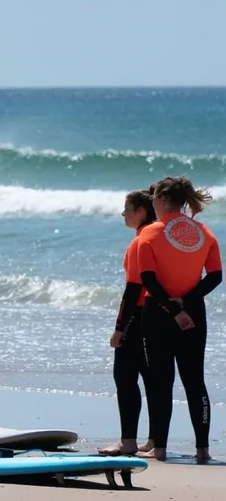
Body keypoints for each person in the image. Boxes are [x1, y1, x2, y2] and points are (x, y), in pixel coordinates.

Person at [136, 176, 221, 463]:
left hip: (158, 313)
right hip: (194, 313)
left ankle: (159, 448)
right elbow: (216, 276)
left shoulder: (148, 234)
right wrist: (185, 303)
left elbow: (147, 278)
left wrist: (173, 309)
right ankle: (203, 450)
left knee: (161, 382)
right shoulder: (204, 232)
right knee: (194, 381)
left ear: (160, 200)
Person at [98, 187, 156, 456]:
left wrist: (119, 328)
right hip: (160, 315)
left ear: (141, 211)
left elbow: (133, 289)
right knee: (153, 378)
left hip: (139, 313)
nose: (123, 213)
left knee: (124, 376)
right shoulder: (161, 236)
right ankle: (155, 440)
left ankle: (128, 441)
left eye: (127, 209)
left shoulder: (140, 241)